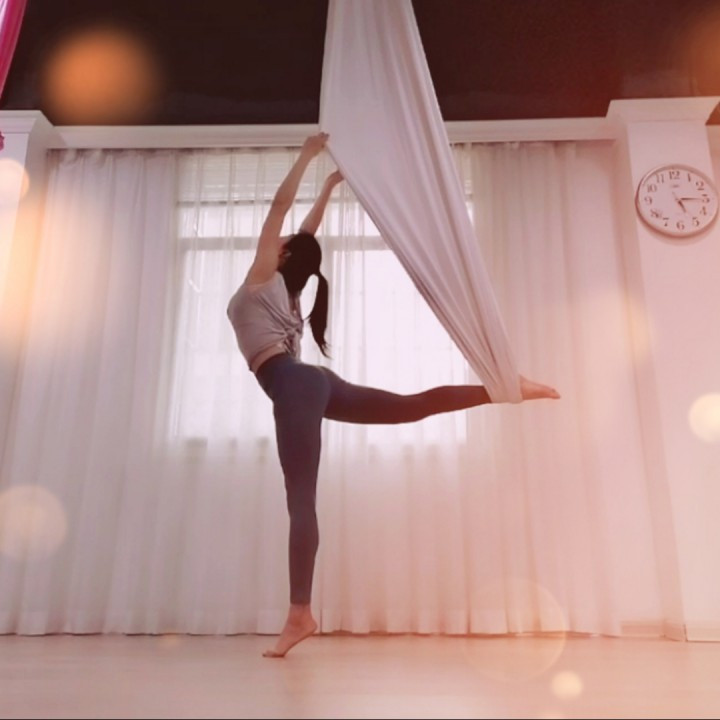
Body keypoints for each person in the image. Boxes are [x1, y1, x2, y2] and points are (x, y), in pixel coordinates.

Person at [226, 132, 560, 658]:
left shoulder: (262, 281)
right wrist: (329, 186)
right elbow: (305, 233)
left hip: (292, 385)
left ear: (281, 253)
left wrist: (310, 157)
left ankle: (299, 614)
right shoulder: (288, 292)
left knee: (301, 500)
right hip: (314, 382)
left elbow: (280, 210)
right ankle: (505, 390)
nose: (278, 238)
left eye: (281, 241)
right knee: (409, 407)